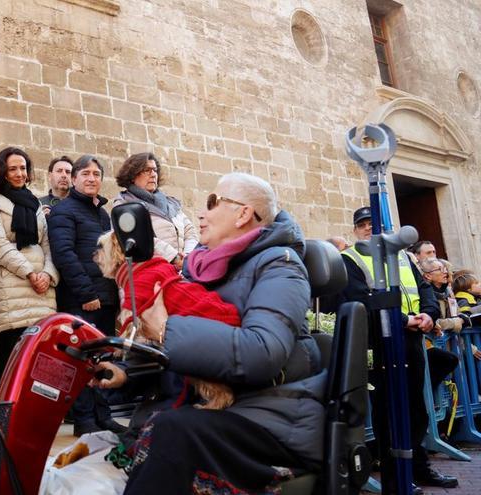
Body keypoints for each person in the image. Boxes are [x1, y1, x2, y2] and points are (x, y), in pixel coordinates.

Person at [96, 172, 324, 494]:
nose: (201, 213)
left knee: (171, 430)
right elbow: (183, 354)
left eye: (212, 203)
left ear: (244, 213)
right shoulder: (197, 270)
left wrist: (165, 329)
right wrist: (127, 373)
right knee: (136, 434)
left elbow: (262, 352)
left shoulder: (280, 267)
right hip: (216, 409)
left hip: (270, 417)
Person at [338, 207, 458, 492]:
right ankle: (396, 478)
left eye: (373, 223)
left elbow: (424, 289)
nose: (368, 228)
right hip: (379, 344)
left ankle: (419, 468)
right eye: (363, 225)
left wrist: (429, 315)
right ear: (355, 230)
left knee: (416, 410)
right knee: (388, 414)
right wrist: (403, 320)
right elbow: (360, 299)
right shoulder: (350, 258)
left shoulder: (402, 256)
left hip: (412, 340)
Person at [48, 155, 124, 437]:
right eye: (86, 173)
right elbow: (64, 255)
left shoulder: (103, 214)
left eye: (96, 174)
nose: (92, 178)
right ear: (75, 178)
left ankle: (102, 416)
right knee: (80, 361)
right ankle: (84, 420)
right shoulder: (64, 211)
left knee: (103, 359)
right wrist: (86, 293)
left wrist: (113, 297)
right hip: (82, 298)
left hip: (105, 297)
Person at [0, 147, 58, 385]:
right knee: (10, 366)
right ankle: (7, 421)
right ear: (2, 173)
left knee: (41, 367)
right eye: (12, 168)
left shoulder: (34, 204)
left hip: (41, 294)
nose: (19, 173)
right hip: (9, 294)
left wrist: (48, 274)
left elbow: (47, 245)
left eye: (23, 168)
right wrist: (31, 272)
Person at [113, 152, 198, 268]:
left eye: (155, 170)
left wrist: (188, 257)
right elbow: (138, 239)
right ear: (133, 175)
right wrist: (174, 258)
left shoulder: (170, 203)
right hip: (151, 271)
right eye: (147, 170)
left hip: (183, 269)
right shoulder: (124, 204)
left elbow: (190, 231)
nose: (153, 174)